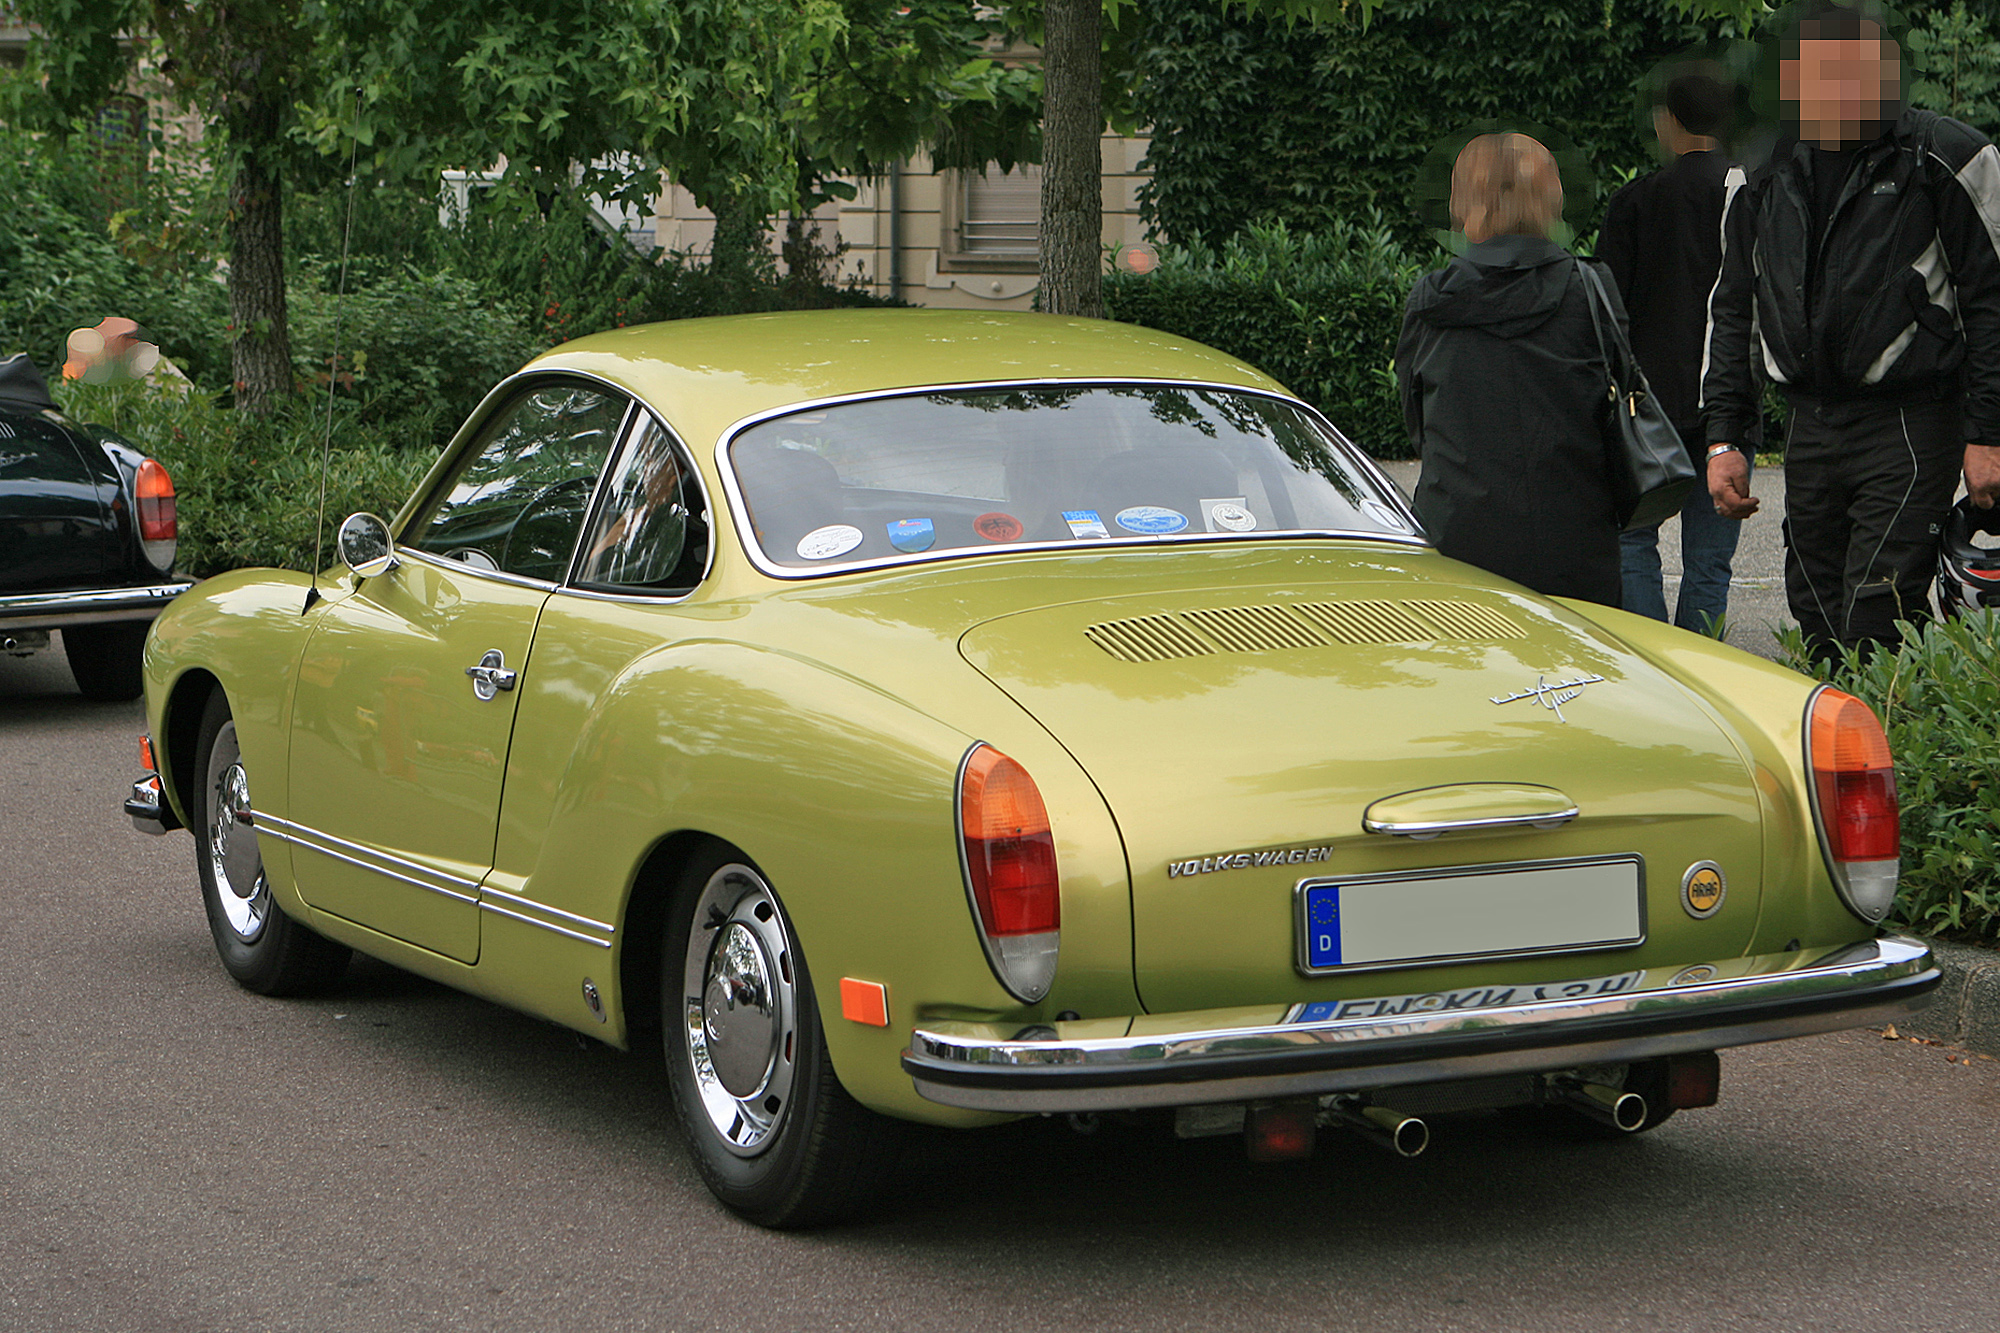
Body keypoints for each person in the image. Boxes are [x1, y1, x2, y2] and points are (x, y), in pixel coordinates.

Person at [1701, 2, 2000, 663]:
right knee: (1815, 619)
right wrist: (1726, 436)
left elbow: (1990, 302)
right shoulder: (1758, 171)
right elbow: (1733, 308)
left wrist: (1989, 434)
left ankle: (1890, 756)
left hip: (1912, 420)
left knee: (1875, 617)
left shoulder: (1947, 157)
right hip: (1811, 421)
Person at [1396, 131, 1626, 606]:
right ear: (1550, 198)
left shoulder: (1431, 299)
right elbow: (1621, 397)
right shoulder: (1589, 287)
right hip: (1572, 534)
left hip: (1458, 534)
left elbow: (1416, 418)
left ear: (1463, 201)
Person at [1599, 62, 1745, 635]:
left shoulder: (1636, 201)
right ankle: (1701, 671)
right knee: (1710, 559)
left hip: (1645, 405)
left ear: (1667, 121)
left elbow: (1609, 312)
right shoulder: (1749, 198)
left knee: (1633, 539)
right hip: (1726, 402)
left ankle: (1653, 661)